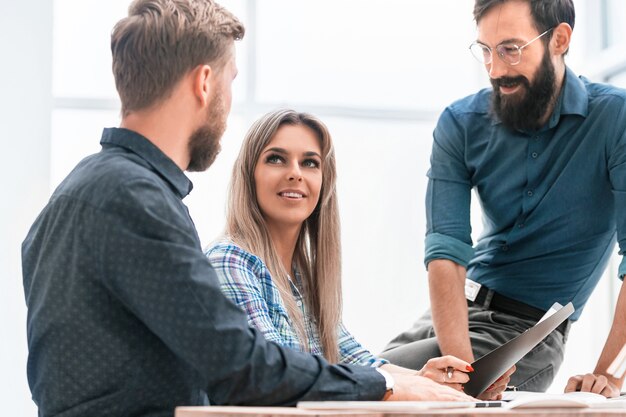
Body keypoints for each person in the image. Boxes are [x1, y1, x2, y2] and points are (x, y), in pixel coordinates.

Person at [21, 1, 475, 416]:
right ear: (204, 82)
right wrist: (386, 386)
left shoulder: (80, 192)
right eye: (231, 79)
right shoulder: (136, 200)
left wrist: (394, 379)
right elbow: (243, 366)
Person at [380, 0, 626, 398]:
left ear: (559, 40)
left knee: (388, 396)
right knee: (359, 381)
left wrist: (609, 375)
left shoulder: (616, 119)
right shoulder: (460, 123)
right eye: (485, 51)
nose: (495, 69)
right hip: (453, 316)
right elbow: (445, 250)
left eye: (510, 49)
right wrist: (465, 373)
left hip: (523, 334)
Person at [205, 109, 507, 397]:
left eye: (310, 163)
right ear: (249, 175)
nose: (295, 173)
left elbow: (356, 360)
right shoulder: (230, 261)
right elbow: (277, 378)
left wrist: (426, 380)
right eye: (276, 159)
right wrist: (399, 387)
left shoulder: (302, 278)